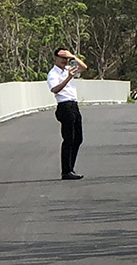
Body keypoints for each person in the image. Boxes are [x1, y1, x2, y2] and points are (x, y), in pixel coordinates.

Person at [47, 47, 87, 180]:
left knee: (78, 138)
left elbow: (84, 67)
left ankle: (71, 168)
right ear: (55, 58)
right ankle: (66, 170)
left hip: (74, 104)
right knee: (69, 138)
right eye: (62, 57)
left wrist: (73, 57)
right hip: (64, 105)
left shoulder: (68, 69)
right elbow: (55, 89)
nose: (64, 60)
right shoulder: (53, 73)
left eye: (66, 58)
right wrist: (68, 78)